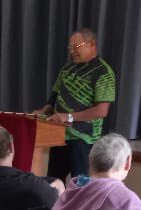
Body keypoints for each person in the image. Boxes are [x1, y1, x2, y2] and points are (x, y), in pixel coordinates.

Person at [35, 28, 116, 182]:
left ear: (91, 44)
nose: (72, 51)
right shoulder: (67, 68)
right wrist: (43, 111)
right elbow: (54, 97)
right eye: (70, 47)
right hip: (59, 135)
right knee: (53, 182)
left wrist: (68, 116)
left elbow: (101, 110)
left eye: (76, 47)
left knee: (80, 185)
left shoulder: (103, 72)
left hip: (83, 139)